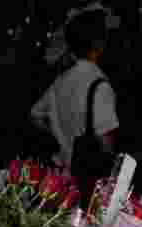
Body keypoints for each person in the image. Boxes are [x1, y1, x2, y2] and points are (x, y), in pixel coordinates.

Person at [29, 9, 120, 173]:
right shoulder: (100, 85)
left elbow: (35, 114)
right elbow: (106, 142)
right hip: (84, 181)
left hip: (60, 174)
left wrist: (60, 138)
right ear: (100, 44)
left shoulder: (59, 81)